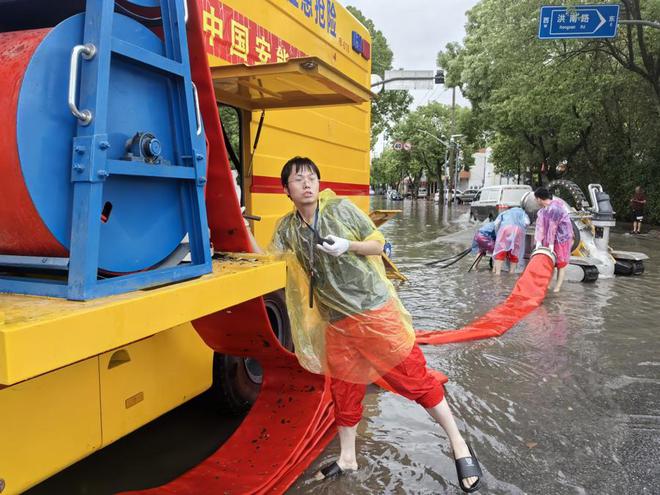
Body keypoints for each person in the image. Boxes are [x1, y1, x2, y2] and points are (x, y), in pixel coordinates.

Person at [248, 157, 482, 493]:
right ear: (286, 189)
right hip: (336, 321)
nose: (308, 183)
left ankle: (459, 443)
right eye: (298, 179)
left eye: (312, 177)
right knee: (344, 390)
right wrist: (239, 226)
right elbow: (268, 261)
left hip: (374, 313)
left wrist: (349, 247)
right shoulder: (288, 228)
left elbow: (382, 245)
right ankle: (347, 458)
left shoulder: (341, 210)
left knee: (415, 378)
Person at [533, 187, 574, 293]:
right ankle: (548, 285)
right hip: (551, 238)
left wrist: (551, 244)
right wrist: (538, 241)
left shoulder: (555, 208)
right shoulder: (543, 211)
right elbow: (540, 226)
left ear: (539, 199)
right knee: (550, 261)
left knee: (561, 263)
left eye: (535, 199)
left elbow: (553, 227)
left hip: (562, 238)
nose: (535, 201)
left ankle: (557, 288)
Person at [492, 207, 530, 275]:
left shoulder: (505, 212)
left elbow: (496, 224)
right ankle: (511, 273)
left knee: (501, 250)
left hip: (505, 229)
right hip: (517, 230)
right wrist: (523, 228)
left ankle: (497, 273)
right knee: (515, 251)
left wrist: (498, 233)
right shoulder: (523, 213)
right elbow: (527, 222)